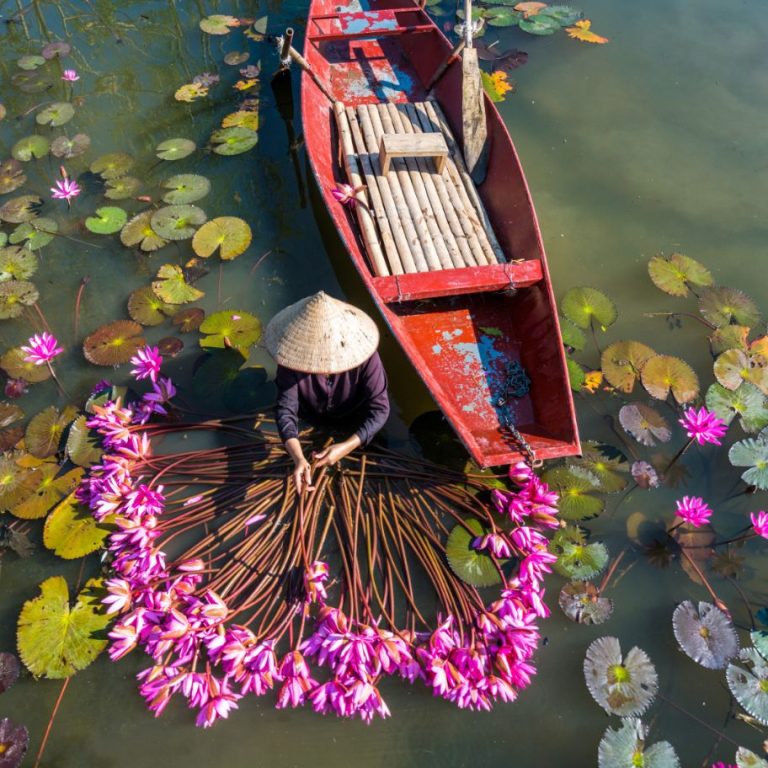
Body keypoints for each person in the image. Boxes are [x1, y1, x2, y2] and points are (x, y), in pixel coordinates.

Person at [264, 291, 390, 493]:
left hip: (355, 419)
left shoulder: (365, 357)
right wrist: (298, 458)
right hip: (312, 417)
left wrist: (346, 447)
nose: (323, 365)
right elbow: (285, 410)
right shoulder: (290, 361)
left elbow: (380, 410)